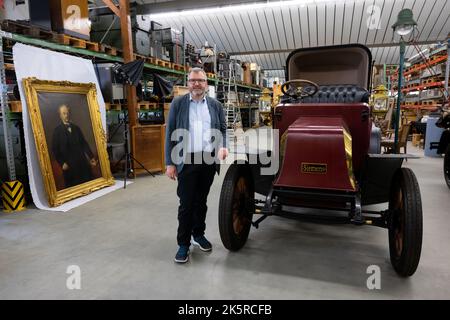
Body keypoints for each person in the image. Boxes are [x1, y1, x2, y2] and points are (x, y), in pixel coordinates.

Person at [165, 67, 228, 263]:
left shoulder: (215, 105)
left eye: (200, 80)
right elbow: (170, 134)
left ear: (206, 84)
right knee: (186, 204)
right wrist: (170, 163)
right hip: (187, 160)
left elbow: (224, 129)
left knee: (201, 202)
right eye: (193, 81)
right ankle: (183, 244)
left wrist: (223, 146)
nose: (196, 84)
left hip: (208, 160)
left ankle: (198, 234)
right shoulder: (178, 103)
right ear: (188, 83)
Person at [52, 104, 98, 189]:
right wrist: (62, 163)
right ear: (60, 115)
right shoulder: (57, 131)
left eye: (67, 113)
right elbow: (55, 150)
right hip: (69, 165)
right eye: (64, 113)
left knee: (88, 183)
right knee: (73, 187)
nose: (66, 115)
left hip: (81, 162)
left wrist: (91, 157)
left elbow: (84, 143)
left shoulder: (76, 128)